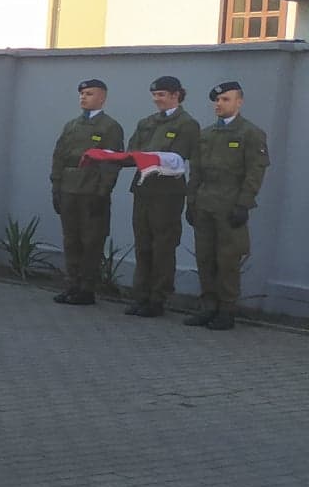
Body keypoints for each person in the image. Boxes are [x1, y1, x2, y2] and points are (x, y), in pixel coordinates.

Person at [184, 81, 269, 332]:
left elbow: (254, 173)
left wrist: (243, 204)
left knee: (228, 260)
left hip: (230, 206)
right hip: (205, 204)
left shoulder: (250, 133)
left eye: (226, 99)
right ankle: (208, 307)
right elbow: (196, 172)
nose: (219, 104)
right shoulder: (206, 134)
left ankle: (226, 310)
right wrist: (191, 202)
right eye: (217, 100)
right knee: (205, 258)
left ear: (239, 102)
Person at [123, 76, 200, 318]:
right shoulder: (147, 122)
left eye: (162, 95)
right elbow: (132, 151)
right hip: (144, 188)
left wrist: (151, 156)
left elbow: (180, 156)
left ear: (176, 95)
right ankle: (141, 296)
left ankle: (158, 298)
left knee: (163, 247)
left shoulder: (187, 124)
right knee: (143, 244)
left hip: (167, 193)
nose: (157, 99)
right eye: (154, 95)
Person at [49, 79, 124, 306]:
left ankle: (87, 288)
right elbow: (59, 156)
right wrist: (56, 187)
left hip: (92, 191)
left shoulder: (110, 127)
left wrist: (103, 192)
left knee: (91, 241)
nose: (83, 97)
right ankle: (72, 284)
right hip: (69, 188)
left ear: (102, 97)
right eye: (82, 93)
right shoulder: (72, 125)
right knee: (71, 239)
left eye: (89, 93)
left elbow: (112, 162)